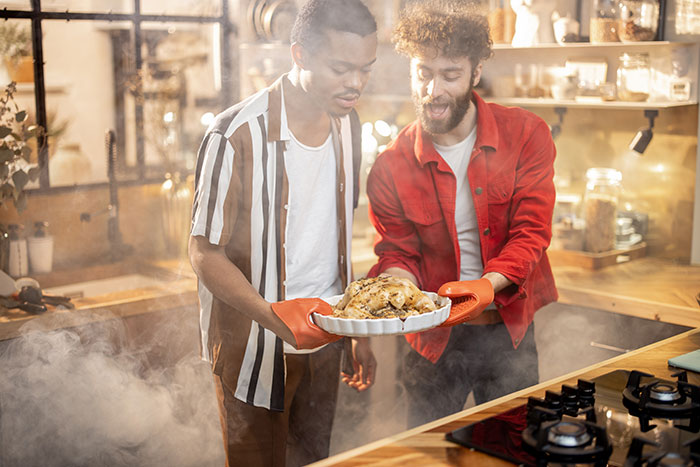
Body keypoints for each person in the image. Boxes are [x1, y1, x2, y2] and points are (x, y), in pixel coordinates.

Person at [188, 1, 378, 465]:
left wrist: (356, 325)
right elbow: (203, 252)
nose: (355, 83)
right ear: (300, 55)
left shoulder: (349, 125)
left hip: (328, 337)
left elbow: (334, 235)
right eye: (340, 68)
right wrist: (275, 317)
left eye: (365, 69)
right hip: (253, 345)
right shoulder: (233, 134)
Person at [366, 0, 558, 429]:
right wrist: (399, 287)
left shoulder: (527, 135)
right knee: (432, 451)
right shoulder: (390, 166)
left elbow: (531, 233)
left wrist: (485, 288)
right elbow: (397, 251)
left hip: (506, 328)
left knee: (515, 446)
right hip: (431, 340)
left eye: (450, 75)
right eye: (423, 73)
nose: (433, 90)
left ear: (474, 73)